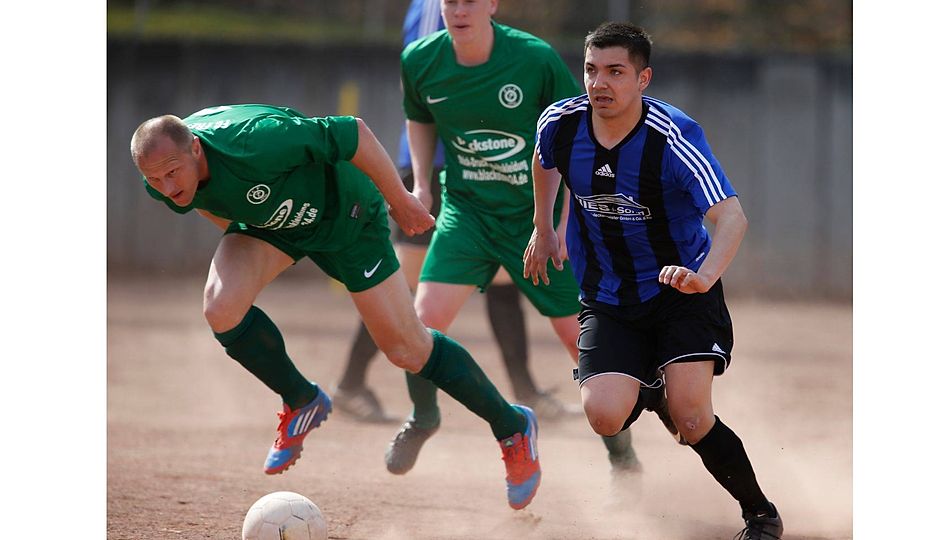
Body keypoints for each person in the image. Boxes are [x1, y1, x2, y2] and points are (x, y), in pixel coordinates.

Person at [129, 104, 542, 510]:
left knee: (406, 349)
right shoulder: (163, 175)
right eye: (155, 179)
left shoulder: (256, 142)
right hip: (278, 224)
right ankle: (301, 399)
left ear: (196, 148)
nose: (166, 186)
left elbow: (353, 132)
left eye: (171, 173)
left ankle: (512, 426)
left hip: (348, 216)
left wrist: (399, 200)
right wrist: (256, 236)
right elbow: (209, 201)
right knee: (221, 307)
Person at [524, 22, 783, 539]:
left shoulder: (672, 137)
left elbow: (732, 218)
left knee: (692, 418)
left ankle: (761, 514)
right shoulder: (562, 123)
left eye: (616, 72)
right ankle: (652, 387)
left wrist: (703, 277)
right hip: (606, 293)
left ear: (643, 79)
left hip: (681, 292)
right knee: (603, 416)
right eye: (592, 70)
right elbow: (543, 159)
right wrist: (544, 226)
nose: (600, 83)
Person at [385, 0, 646, 479]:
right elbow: (419, 117)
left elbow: (578, 135)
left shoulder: (533, 59)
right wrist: (421, 184)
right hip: (467, 212)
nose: (459, 10)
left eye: (470, 1)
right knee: (420, 323)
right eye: (449, 1)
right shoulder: (419, 59)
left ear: (491, 5)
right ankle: (423, 417)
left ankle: (622, 456)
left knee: (579, 342)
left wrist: (564, 225)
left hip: (535, 218)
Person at [332, 0, 575, 424]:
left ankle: (525, 389)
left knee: (504, 277)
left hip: (487, 172)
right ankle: (353, 383)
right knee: (407, 282)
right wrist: (421, 180)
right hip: (446, 164)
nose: (459, 9)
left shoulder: (526, 53)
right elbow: (432, 77)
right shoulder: (437, 16)